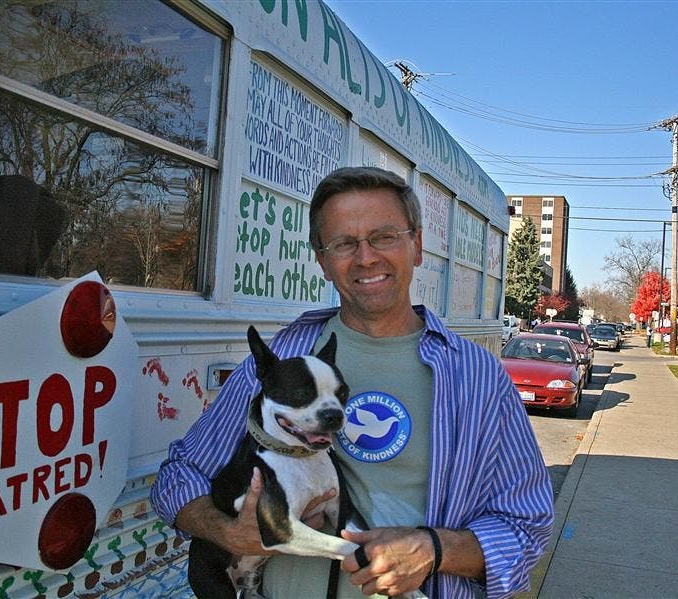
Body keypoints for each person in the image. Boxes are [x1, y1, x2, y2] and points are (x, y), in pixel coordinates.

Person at [150, 167, 554, 598]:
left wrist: (435, 549)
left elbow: (525, 527)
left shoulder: (478, 377)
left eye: (384, 236)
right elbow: (181, 474)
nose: (366, 258)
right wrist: (228, 531)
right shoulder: (282, 360)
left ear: (416, 245)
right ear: (322, 260)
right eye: (343, 243)